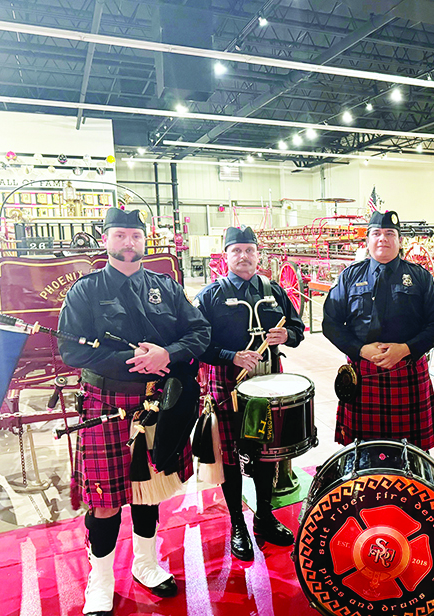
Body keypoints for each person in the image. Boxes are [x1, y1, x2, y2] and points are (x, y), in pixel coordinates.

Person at [58, 207, 210, 616]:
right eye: (120, 235)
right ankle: (101, 579)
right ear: (106, 240)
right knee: (105, 500)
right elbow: (71, 349)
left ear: (145, 240)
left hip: (158, 402)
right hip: (106, 401)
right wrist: (135, 362)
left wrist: (168, 353)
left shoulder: (167, 286)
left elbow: (200, 332)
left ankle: (146, 563)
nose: (129, 243)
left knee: (149, 491)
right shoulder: (85, 291)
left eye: (135, 236)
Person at [194, 225, 304, 561]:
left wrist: (286, 335)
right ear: (225, 256)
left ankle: (264, 516)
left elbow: (298, 330)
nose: (244, 256)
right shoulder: (210, 296)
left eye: (249, 250)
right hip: (226, 385)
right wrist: (231, 356)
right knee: (230, 457)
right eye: (236, 251)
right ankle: (236, 524)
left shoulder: (274, 292)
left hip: (268, 383)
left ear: (258, 254)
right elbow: (197, 345)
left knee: (266, 452)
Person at [322, 210, 434, 451]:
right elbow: (331, 323)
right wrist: (360, 350)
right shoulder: (349, 277)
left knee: (411, 454)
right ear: (367, 241)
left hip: (407, 371)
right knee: (361, 452)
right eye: (376, 234)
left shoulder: (420, 277)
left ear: (400, 241)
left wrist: (406, 349)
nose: (383, 239)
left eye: (390, 233)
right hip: (362, 373)